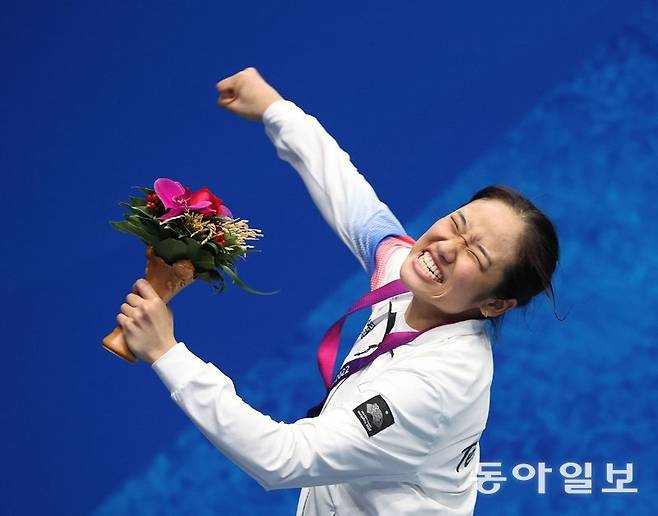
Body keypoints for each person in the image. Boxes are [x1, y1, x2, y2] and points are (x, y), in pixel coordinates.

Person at [117, 67, 560, 515]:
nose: (446, 248)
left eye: (476, 257)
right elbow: (355, 204)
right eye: (457, 223)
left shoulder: (437, 386)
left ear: (495, 303)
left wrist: (167, 354)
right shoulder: (411, 277)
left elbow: (282, 458)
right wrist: (275, 109)